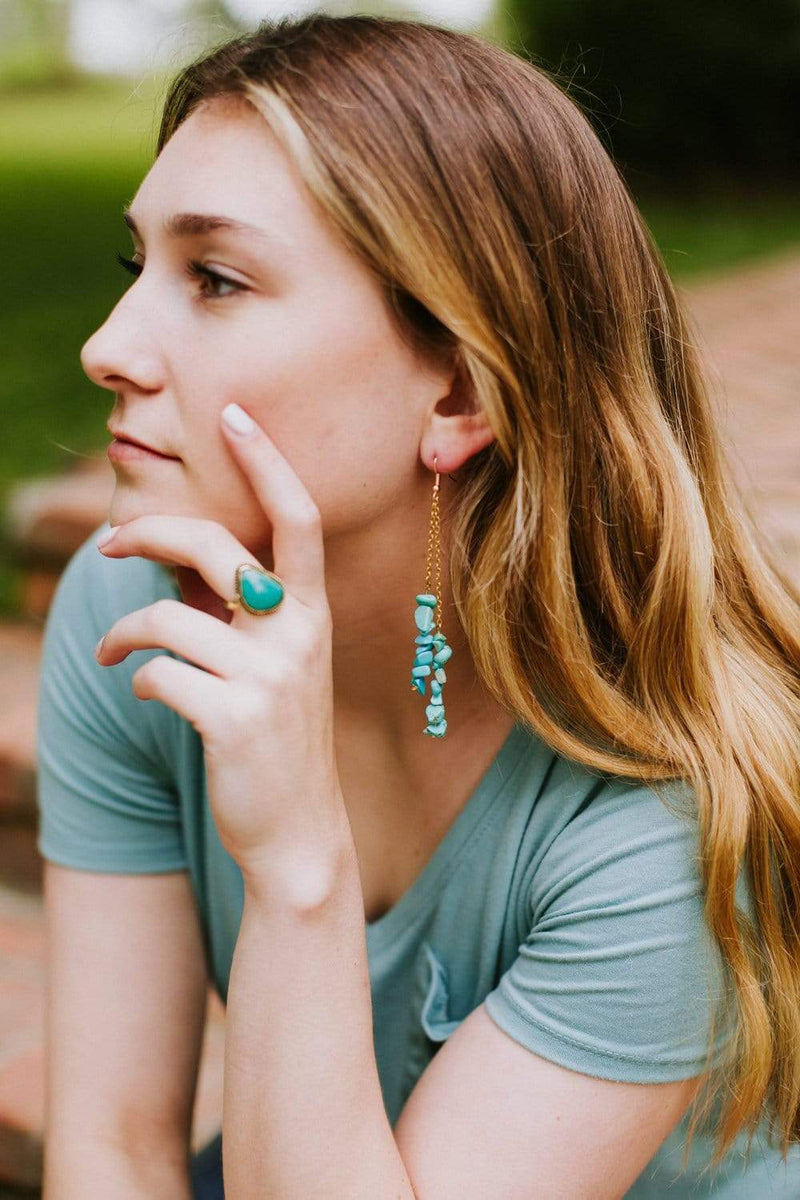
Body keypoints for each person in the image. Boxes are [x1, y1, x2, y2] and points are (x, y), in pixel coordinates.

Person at [35, 13, 800, 1199]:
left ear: (457, 394)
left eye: (217, 279)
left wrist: (295, 866)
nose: (106, 347)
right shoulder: (132, 606)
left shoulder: (665, 818)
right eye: (138, 268)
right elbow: (115, 1151)